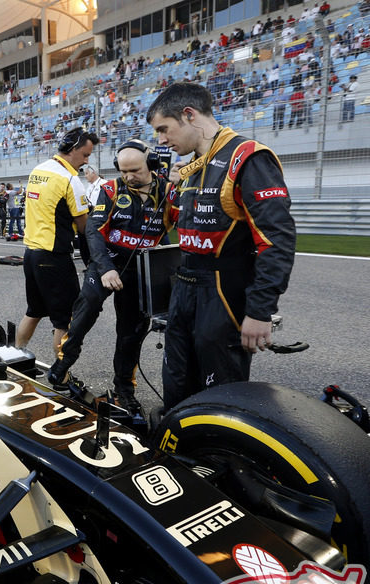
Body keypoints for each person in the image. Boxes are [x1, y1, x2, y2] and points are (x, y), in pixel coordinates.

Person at [147, 82, 295, 409]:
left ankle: (217, 458)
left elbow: (278, 240)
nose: (160, 140)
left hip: (224, 291)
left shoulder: (248, 157)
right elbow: (168, 223)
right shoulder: (189, 168)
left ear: (189, 115)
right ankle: (176, 455)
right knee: (175, 384)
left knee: (220, 395)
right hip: (184, 288)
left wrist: (260, 310)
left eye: (163, 129)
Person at [47, 141, 174, 414]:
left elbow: (184, 223)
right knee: (86, 307)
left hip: (139, 271)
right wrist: (105, 269)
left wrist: (183, 187)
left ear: (151, 165)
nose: (129, 177)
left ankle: (125, 391)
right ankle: (64, 361)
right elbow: (93, 231)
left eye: (135, 171)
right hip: (107, 264)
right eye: (124, 171)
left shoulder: (168, 192)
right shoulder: (111, 190)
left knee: (131, 333)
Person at [16, 127, 98, 356]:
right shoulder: (70, 179)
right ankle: (61, 374)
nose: (86, 161)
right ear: (72, 149)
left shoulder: (38, 169)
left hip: (30, 253)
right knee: (64, 320)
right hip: (54, 256)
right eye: (85, 155)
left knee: (33, 311)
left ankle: (16, 356)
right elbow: (84, 227)